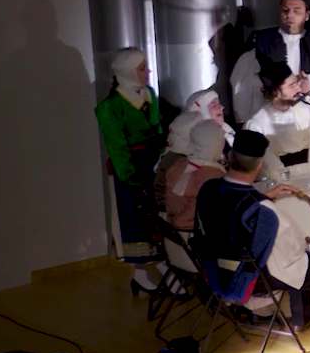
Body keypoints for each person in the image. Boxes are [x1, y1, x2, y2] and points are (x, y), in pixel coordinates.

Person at [192, 130, 310, 349]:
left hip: (215, 271)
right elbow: (293, 252)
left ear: (229, 157)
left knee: (290, 254)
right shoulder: (262, 210)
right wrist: (301, 237)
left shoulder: (208, 189)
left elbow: (229, 214)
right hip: (250, 279)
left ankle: (302, 317)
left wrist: (262, 198)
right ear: (259, 166)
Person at [233, 0, 310, 124]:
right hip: (272, 118)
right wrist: (275, 89)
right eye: (285, 10)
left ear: (307, 15)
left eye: (296, 11)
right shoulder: (262, 42)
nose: (290, 15)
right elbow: (242, 82)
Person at [96, 47, 164, 264]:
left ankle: (160, 254)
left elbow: (157, 128)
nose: (148, 72)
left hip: (153, 161)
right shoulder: (110, 107)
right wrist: (129, 175)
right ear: (128, 71)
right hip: (133, 166)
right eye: (142, 68)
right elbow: (116, 146)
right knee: (134, 213)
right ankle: (139, 261)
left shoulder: (149, 94)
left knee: (156, 210)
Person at [244, 61, 310, 176]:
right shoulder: (257, 123)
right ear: (275, 91)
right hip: (281, 178)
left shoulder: (308, 109)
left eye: (297, 82)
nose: (298, 88)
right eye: (292, 85)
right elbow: (266, 164)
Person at [162, 120, 228, 231]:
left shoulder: (179, 164)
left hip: (170, 228)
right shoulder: (213, 175)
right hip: (190, 233)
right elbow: (183, 220)